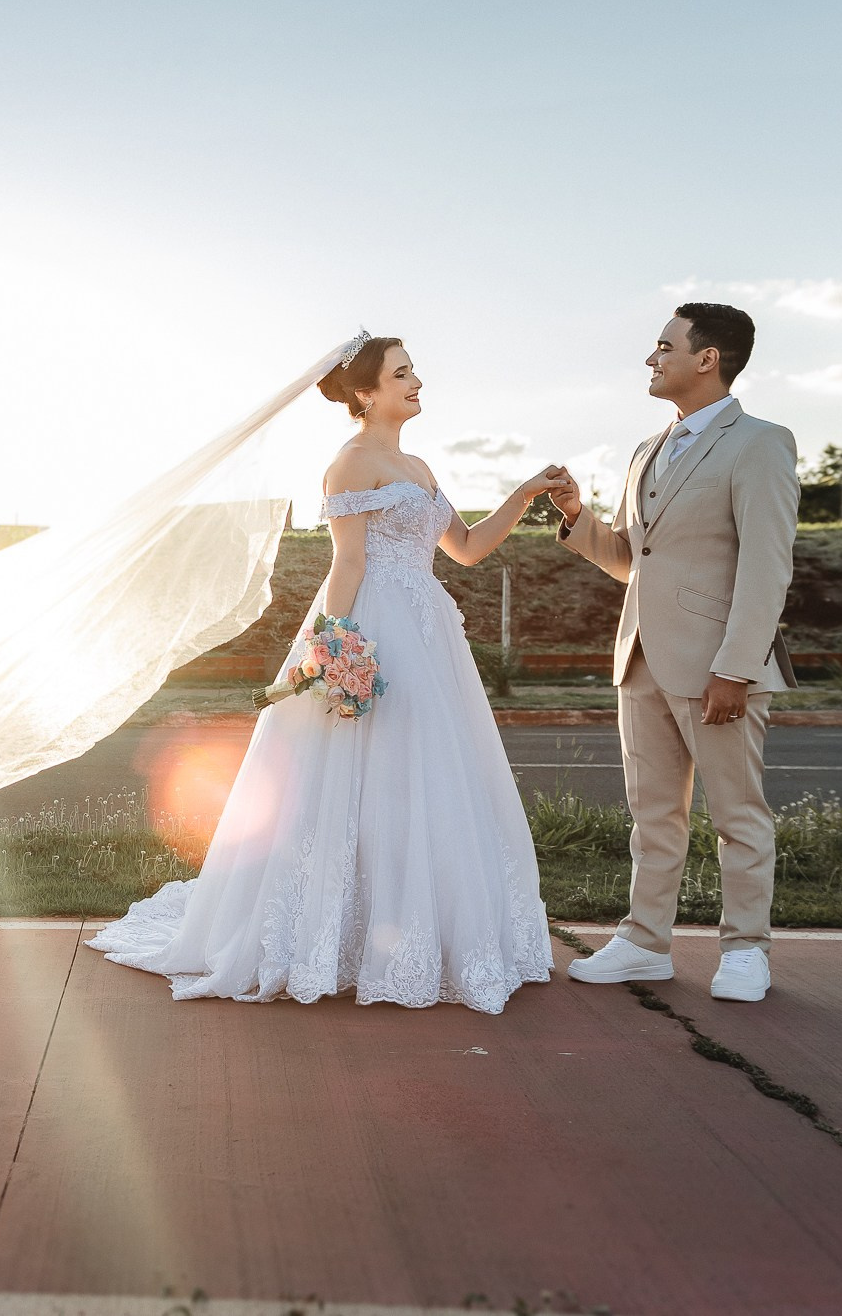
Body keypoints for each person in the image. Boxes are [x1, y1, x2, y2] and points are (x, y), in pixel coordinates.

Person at [88, 331, 563, 1013]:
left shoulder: (420, 464)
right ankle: (339, 936)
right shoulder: (350, 464)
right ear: (366, 392)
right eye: (403, 373)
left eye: (414, 370)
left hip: (431, 635)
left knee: (426, 778)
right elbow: (348, 563)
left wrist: (523, 494)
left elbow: (463, 548)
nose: (416, 380)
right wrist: (334, 650)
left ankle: (414, 932)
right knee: (357, 781)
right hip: (374, 627)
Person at [546, 303, 798, 1002]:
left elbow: (766, 567)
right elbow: (632, 559)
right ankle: (643, 942)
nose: (651, 359)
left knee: (738, 815)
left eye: (664, 346)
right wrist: (577, 517)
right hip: (641, 659)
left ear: (708, 358)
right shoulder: (644, 451)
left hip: (720, 667)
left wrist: (737, 667)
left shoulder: (762, 443)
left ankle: (746, 949)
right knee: (653, 812)